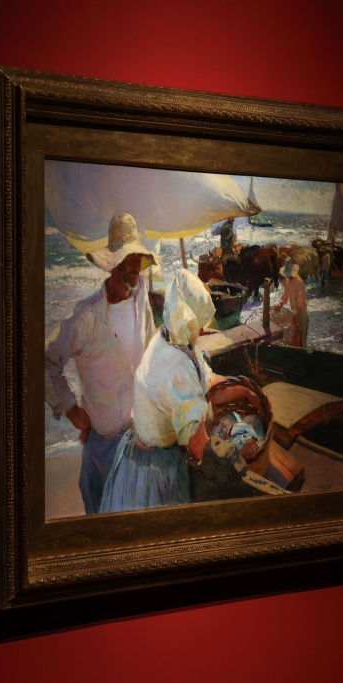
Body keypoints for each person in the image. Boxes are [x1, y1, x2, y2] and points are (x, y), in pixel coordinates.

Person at [44, 212, 157, 514]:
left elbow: (149, 345)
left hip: (140, 438)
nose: (136, 267)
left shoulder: (141, 293)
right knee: (104, 523)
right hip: (104, 447)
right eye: (129, 258)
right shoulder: (88, 316)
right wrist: (70, 408)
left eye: (138, 259)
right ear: (112, 262)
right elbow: (43, 360)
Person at [100, 269, 217, 513]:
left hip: (134, 453)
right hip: (155, 471)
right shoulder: (178, 364)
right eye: (200, 323)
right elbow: (197, 445)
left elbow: (208, 379)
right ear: (189, 319)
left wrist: (241, 388)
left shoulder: (166, 337)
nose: (203, 330)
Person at [274, 258, 309, 347]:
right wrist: (281, 304)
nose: (287, 276)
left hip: (302, 314)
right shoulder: (287, 280)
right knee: (295, 338)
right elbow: (286, 295)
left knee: (302, 340)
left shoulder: (299, 283)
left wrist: (297, 316)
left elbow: (303, 305)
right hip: (294, 311)